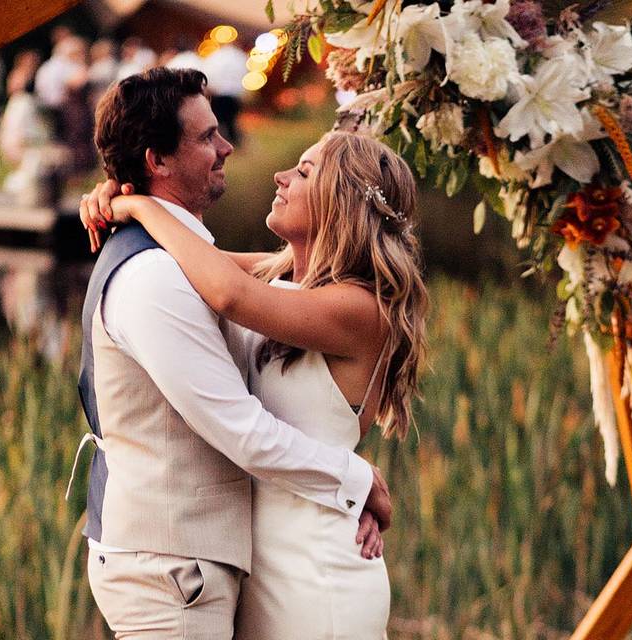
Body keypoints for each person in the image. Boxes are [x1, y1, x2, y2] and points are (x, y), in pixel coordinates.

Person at [73, 67, 394, 639]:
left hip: (310, 563)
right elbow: (220, 272)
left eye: (303, 170)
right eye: (206, 137)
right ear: (158, 160)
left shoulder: (355, 307)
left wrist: (140, 207)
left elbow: (228, 289)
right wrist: (133, 203)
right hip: (246, 556)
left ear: (340, 201)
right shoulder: (256, 285)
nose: (236, 152)